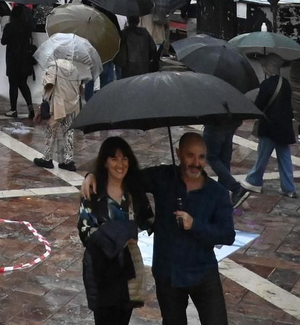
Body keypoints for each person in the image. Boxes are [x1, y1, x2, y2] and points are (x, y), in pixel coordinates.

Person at [83, 131, 233, 325]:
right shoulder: (163, 177)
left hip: (203, 274)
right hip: (168, 276)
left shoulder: (217, 193)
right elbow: (126, 174)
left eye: (201, 157)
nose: (196, 162)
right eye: (190, 155)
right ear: (178, 154)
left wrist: (195, 225)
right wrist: (92, 175)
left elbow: (227, 235)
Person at [77, 136, 154, 325]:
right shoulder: (93, 192)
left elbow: (148, 220)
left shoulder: (134, 192)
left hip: (128, 267)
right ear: (105, 162)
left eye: (124, 158)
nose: (120, 164)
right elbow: (85, 232)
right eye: (114, 158)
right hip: (100, 268)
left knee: (123, 319)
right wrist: (123, 232)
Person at [244, 62, 298, 198]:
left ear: (267, 69)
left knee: (263, 155)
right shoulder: (285, 83)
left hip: (269, 126)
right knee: (285, 158)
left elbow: (259, 105)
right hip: (284, 127)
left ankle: (254, 181)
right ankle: (288, 187)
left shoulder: (266, 84)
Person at [34, 56, 86, 171]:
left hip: (58, 104)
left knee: (50, 131)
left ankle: (47, 158)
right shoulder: (75, 69)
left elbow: (49, 84)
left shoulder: (54, 65)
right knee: (69, 132)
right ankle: (68, 161)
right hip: (72, 104)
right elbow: (80, 89)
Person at [201, 119, 249, 208]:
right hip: (231, 122)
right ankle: (222, 195)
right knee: (224, 159)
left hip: (215, 123)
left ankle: (236, 188)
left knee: (211, 157)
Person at [2, 6, 36, 121]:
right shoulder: (28, 28)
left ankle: (13, 109)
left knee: (13, 85)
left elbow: (3, 41)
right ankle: (30, 107)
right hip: (25, 59)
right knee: (23, 84)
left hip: (13, 59)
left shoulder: (9, 27)